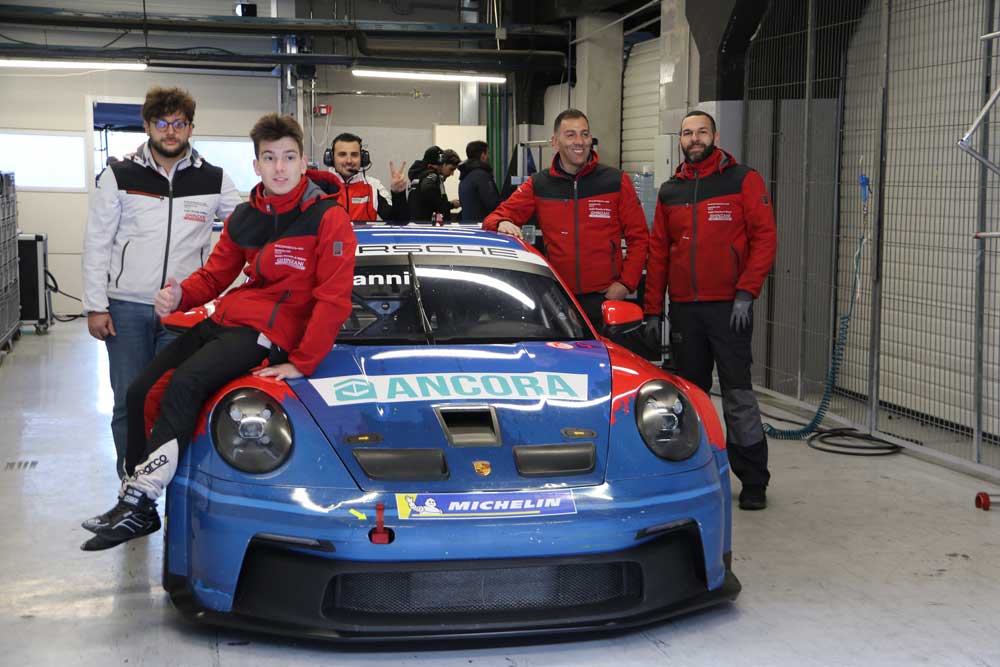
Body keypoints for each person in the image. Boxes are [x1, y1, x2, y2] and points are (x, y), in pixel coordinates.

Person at [80, 113, 357, 550]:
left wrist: (303, 362)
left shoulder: (328, 218)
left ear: (304, 162)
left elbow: (334, 299)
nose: (280, 167)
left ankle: (142, 498)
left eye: (289, 157)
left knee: (185, 384)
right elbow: (215, 275)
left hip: (271, 332)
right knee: (140, 391)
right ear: (256, 165)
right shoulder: (246, 216)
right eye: (270, 158)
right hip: (227, 319)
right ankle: (134, 501)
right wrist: (180, 295)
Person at [82, 86, 241, 479]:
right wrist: (95, 305)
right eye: (162, 123)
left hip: (184, 311)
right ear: (147, 126)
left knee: (175, 399)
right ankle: (131, 481)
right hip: (126, 309)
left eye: (179, 123)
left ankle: (167, 481)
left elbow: (245, 228)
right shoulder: (119, 176)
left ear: (190, 128)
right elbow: (97, 241)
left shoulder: (214, 178)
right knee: (129, 401)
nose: (170, 131)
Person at [642, 109, 777, 511]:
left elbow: (764, 238)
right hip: (686, 310)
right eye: (688, 133)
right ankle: (694, 476)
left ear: (715, 137)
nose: (694, 138)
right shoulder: (670, 191)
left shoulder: (742, 180)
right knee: (689, 399)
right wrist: (653, 309)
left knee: (738, 395)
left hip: (730, 309)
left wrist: (747, 292)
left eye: (702, 131)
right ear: (680, 140)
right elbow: (659, 252)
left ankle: (753, 480)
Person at [483, 109, 648, 327]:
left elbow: (640, 237)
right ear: (555, 142)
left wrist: (625, 284)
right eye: (570, 135)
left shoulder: (616, 181)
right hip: (558, 300)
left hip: (606, 298)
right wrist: (502, 222)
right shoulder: (539, 184)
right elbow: (491, 219)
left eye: (584, 134)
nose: (579, 141)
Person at [306, 132, 409, 222]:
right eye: (342, 154)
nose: (349, 160)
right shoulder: (317, 187)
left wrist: (398, 194)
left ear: (362, 158)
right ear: (331, 158)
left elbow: (398, 222)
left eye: (354, 155)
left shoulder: (373, 186)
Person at [408, 146, 461, 222]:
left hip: (416, 223)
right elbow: (429, 192)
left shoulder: (419, 175)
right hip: (427, 224)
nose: (452, 174)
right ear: (442, 164)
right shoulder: (432, 176)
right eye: (451, 169)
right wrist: (451, 205)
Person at [458, 140, 500, 222]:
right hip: (482, 224)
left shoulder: (465, 175)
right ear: (483, 155)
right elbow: (493, 204)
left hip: (468, 224)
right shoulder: (482, 176)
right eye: (488, 153)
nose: (488, 157)